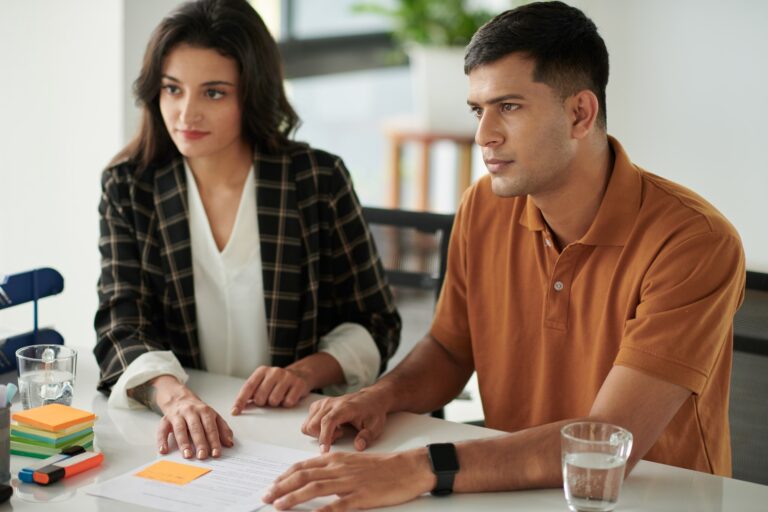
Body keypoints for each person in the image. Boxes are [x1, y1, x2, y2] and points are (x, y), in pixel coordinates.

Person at [262, 2, 746, 510]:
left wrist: (418, 467)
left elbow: (606, 445)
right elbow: (451, 351)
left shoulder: (695, 242)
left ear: (580, 113)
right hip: (505, 492)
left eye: (509, 107)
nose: (483, 135)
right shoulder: (485, 205)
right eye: (478, 109)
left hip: (655, 500)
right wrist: (379, 396)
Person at [93, 0, 400, 462]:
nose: (185, 113)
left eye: (213, 93)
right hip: (183, 436)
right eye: (172, 89)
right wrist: (173, 397)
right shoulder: (128, 186)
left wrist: (306, 371)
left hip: (300, 430)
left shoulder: (316, 180)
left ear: (251, 94)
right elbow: (120, 322)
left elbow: (378, 322)